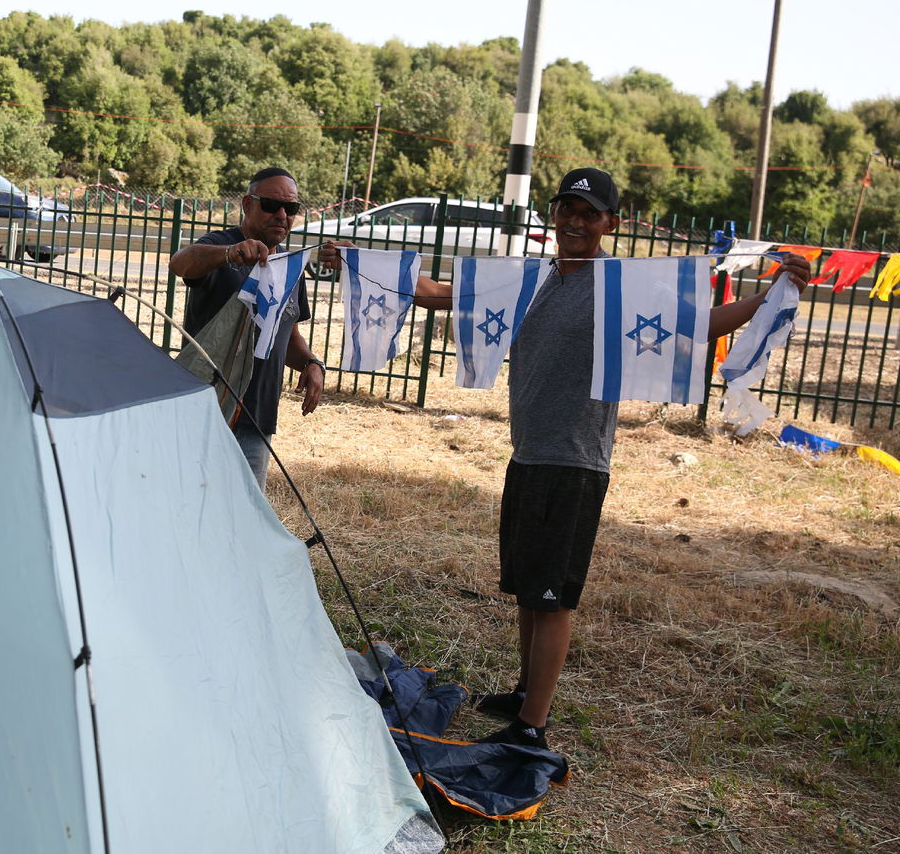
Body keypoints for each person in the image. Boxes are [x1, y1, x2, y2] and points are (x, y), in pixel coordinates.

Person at [320, 166, 812, 750]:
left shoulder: (618, 287)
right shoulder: (532, 279)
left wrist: (771, 295)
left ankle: (534, 724)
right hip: (528, 455)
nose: (575, 222)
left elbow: (697, 326)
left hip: (575, 463)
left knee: (552, 600)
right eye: (566, 210)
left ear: (611, 223)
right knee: (529, 589)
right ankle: (525, 690)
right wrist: (356, 260)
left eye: (589, 213)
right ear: (553, 215)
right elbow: (436, 294)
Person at [169, 166, 326, 486]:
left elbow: (285, 332)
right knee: (187, 507)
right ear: (247, 204)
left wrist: (310, 362)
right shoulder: (220, 245)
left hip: (257, 418)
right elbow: (181, 263)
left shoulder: (289, 268)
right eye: (270, 205)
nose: (281, 214)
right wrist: (229, 254)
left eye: (291, 208)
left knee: (242, 521)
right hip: (205, 411)